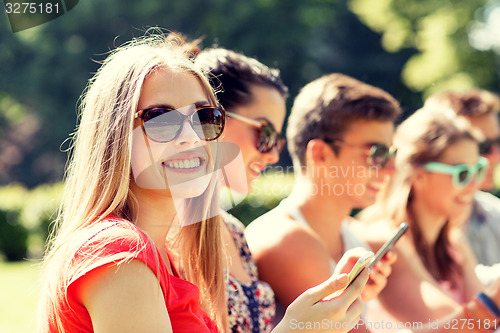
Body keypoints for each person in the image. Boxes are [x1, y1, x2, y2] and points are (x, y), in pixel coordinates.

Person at [36, 33, 370, 333]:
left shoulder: (167, 258)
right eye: (161, 118)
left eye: (204, 117)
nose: (191, 136)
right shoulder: (118, 252)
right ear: (115, 135)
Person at [245, 73, 400, 332]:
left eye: (392, 154)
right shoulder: (286, 239)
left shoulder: (351, 233)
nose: (391, 170)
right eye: (378, 154)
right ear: (321, 154)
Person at [358, 107, 500, 331]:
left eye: (478, 170)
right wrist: (494, 302)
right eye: (462, 173)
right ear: (419, 175)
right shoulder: (384, 242)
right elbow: (457, 325)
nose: (474, 184)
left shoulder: (454, 242)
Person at [194, 48, 286, 333]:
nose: (272, 156)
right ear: (214, 117)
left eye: (276, 141)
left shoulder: (233, 229)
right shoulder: (154, 230)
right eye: (265, 134)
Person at [424, 90, 500, 284]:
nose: (496, 155)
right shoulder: (397, 232)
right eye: (482, 147)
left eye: (498, 142)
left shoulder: (493, 212)